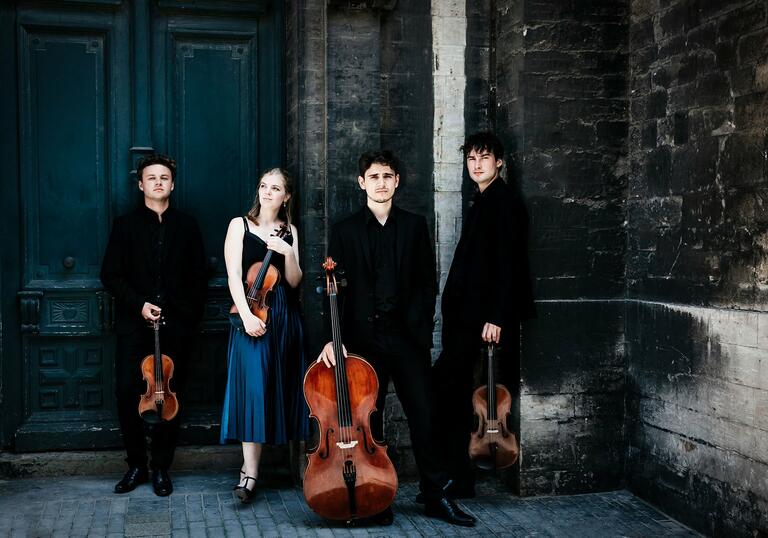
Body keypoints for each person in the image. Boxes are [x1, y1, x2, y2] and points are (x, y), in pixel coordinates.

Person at [316, 150, 476, 527]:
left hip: (406, 341)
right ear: (362, 182)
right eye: (374, 176)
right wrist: (333, 337)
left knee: (424, 415)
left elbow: (426, 282)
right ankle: (377, 497)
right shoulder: (345, 230)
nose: (381, 182)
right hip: (362, 342)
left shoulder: (415, 225)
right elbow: (331, 290)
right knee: (370, 422)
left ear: (397, 181)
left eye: (388, 176)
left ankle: (436, 496)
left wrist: (419, 330)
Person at [432, 132, 535, 498]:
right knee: (454, 392)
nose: (477, 164)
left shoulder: (503, 202)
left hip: (481, 321)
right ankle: (456, 477)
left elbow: (509, 266)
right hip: (468, 319)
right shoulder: (485, 201)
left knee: (450, 391)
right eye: (472, 159)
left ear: (500, 162)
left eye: (485, 158)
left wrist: (496, 317)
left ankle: (457, 477)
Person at [101, 153, 207, 496]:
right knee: (128, 395)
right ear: (140, 184)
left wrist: (180, 314)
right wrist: (139, 305)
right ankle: (135, 466)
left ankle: (161, 468)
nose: (158, 182)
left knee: (168, 399)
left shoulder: (187, 226)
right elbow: (110, 275)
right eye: (151, 177)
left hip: (175, 328)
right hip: (134, 328)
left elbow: (198, 278)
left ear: (172, 184)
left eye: (164, 177)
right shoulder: (124, 225)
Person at [219, 168, 309, 503]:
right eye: (263, 186)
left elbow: (295, 281)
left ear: (286, 196)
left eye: (275, 188)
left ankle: (291, 467)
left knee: (280, 387)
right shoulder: (239, 225)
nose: (267, 192)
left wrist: (287, 252)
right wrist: (245, 317)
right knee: (253, 390)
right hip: (250, 313)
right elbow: (232, 276)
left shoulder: (291, 231)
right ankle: (249, 472)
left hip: (283, 315)